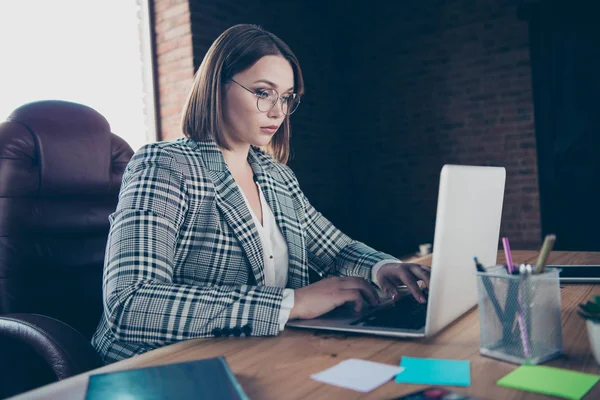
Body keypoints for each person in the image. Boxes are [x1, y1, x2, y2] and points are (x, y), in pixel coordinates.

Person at [92, 24, 430, 364]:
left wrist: (383, 267)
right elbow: (130, 303)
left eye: (286, 97)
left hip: (256, 356)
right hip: (161, 367)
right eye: (263, 92)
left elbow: (335, 248)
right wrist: (290, 303)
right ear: (217, 86)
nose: (278, 112)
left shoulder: (277, 177)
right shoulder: (165, 165)